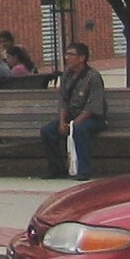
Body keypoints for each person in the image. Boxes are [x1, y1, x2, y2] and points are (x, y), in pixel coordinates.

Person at [42, 42, 107, 179]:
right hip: (71, 117)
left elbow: (93, 105)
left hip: (92, 118)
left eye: (71, 54)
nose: (67, 57)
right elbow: (63, 100)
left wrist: (73, 124)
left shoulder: (93, 77)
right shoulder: (66, 76)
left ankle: (83, 170)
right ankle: (57, 168)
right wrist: (62, 122)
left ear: (82, 58)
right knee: (47, 131)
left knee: (80, 130)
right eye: (66, 54)